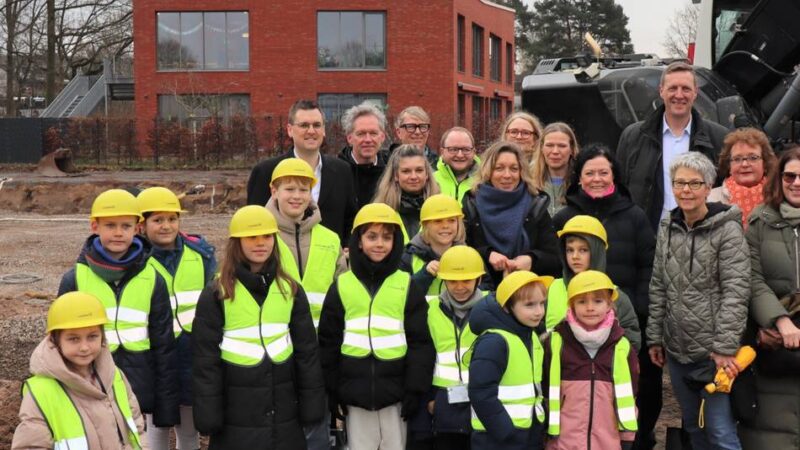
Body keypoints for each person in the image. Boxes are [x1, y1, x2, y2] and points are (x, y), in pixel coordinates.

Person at [192, 205, 325, 449]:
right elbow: (205, 361)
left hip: (284, 410)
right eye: (252, 237)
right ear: (237, 243)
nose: (260, 243)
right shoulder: (216, 293)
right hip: (237, 411)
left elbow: (307, 352)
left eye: (266, 236)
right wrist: (208, 414)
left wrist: (312, 404)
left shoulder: (291, 290)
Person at [551, 143, 657, 448]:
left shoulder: (634, 215)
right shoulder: (565, 217)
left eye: (603, 172)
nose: (596, 178)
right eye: (589, 173)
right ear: (579, 178)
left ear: (614, 175)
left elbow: (647, 262)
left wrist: (636, 306)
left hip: (618, 318)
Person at [647, 152, 750, 450]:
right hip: (678, 352)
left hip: (713, 353)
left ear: (708, 187)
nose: (686, 190)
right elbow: (659, 285)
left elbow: (736, 290)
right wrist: (655, 337)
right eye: (679, 183)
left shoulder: (727, 229)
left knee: (720, 432)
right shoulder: (668, 226)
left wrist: (724, 347)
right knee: (694, 427)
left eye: (695, 183)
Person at [57, 189, 178, 436]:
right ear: (94, 226)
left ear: (138, 228)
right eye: (110, 225)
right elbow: (57, 343)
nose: (118, 232)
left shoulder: (152, 279)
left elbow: (164, 344)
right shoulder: (75, 279)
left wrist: (165, 405)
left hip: (137, 387)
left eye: (126, 225)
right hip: (88, 385)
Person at [318, 203, 434, 450]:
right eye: (371, 236)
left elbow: (420, 342)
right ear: (358, 241)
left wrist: (415, 389)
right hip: (355, 396)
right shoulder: (342, 285)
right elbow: (328, 343)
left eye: (386, 237)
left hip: (397, 397)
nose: (379, 243)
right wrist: (333, 390)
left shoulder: (406, 284)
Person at [12, 292, 147, 449]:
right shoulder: (41, 392)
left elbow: (136, 427)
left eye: (92, 336)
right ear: (55, 340)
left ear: (102, 337)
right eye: (74, 339)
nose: (84, 347)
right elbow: (30, 446)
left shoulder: (115, 376)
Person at [137, 186, 217, 450]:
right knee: (156, 425)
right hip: (157, 355)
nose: (166, 226)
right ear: (142, 225)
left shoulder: (199, 255)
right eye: (157, 220)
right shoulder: (137, 261)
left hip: (191, 353)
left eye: (172, 219)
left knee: (188, 426)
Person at [615, 61, 728, 231]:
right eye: (673, 88)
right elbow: (619, 190)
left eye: (686, 88)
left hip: (700, 238)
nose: (679, 95)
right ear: (661, 91)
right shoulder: (633, 137)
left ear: (695, 92)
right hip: (648, 238)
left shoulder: (719, 137)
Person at [739, 147, 800, 448]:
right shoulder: (760, 222)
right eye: (790, 175)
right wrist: (780, 319)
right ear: (780, 179)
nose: (796, 182)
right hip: (774, 340)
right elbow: (752, 277)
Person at [544, 270, 639, 450]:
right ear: (571, 305)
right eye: (582, 301)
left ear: (610, 304)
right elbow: (545, 390)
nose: (590, 308)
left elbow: (630, 394)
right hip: (563, 441)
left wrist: (627, 436)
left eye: (598, 301)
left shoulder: (621, 346)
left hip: (607, 441)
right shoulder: (556, 343)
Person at [247, 99, 357, 242]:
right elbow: (254, 221)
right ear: (290, 130)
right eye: (304, 125)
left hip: (329, 260)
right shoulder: (265, 172)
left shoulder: (342, 171)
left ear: (324, 130)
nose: (311, 131)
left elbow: (350, 219)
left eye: (317, 125)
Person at [468, 270, 553, 450]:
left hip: (527, 433)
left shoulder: (530, 335)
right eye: (529, 305)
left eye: (542, 304)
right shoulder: (494, 342)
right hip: (498, 439)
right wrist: (505, 431)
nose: (539, 311)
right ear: (507, 307)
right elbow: (480, 392)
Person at [463, 141, 561, 288]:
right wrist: (487, 254)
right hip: (482, 295)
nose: (507, 175)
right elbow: (460, 251)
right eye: (499, 168)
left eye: (514, 169)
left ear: (522, 172)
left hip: (529, 295)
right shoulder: (472, 205)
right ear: (488, 171)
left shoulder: (535, 205)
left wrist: (532, 259)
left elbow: (556, 259)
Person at [265, 158, 347, 329]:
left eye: (303, 190)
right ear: (274, 191)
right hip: (277, 341)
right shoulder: (261, 237)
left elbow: (343, 293)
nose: (297, 196)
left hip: (322, 340)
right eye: (289, 189)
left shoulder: (330, 239)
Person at [419, 246, 486, 450]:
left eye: (466, 280)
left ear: (479, 280)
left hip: (482, 402)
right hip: (444, 405)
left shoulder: (492, 309)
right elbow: (423, 357)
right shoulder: (430, 309)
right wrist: (430, 399)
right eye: (452, 280)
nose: (459, 287)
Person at [546, 215, 641, 351]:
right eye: (569, 250)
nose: (575, 256)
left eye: (583, 250)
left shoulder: (615, 295)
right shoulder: (551, 290)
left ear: (598, 252)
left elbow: (631, 343)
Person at [709, 127, 777, 228]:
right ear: (729, 166)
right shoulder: (710, 200)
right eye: (737, 159)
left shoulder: (778, 197)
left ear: (765, 163)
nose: (745, 164)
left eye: (753, 158)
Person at [401, 194, 467, 297]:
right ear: (425, 225)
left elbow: (484, 289)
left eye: (451, 220)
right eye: (438, 221)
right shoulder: (407, 256)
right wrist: (425, 274)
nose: (445, 226)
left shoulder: (468, 255)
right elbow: (401, 294)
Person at [372, 145, 441, 239]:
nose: (413, 176)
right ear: (396, 175)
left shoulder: (441, 209)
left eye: (419, 170)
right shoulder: (379, 211)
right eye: (406, 171)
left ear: (427, 174)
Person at [338, 101, 392, 210]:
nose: (368, 140)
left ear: (382, 137)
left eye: (373, 133)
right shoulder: (336, 173)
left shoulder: (392, 171)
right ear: (349, 138)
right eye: (361, 134)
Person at [531, 122, 579, 217]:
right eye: (549, 145)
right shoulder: (527, 181)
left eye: (562, 146)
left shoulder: (581, 183)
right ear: (541, 148)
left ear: (572, 149)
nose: (555, 151)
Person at [434, 127, 481, 202]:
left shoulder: (485, 182)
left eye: (466, 149)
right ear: (442, 152)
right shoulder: (430, 181)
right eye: (453, 149)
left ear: (474, 152)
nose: (460, 155)